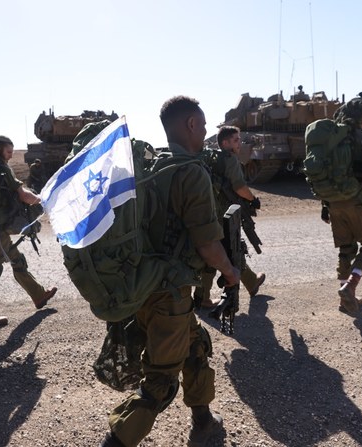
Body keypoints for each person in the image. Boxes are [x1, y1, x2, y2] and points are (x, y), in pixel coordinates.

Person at [100, 96, 240, 447]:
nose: (206, 132)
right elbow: (208, 245)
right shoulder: (191, 173)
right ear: (191, 124)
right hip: (170, 293)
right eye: (204, 125)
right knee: (160, 383)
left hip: (143, 283)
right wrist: (230, 271)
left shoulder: (151, 167)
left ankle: (203, 418)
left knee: (195, 347)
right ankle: (115, 442)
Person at [0, 136, 57, 329]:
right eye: (8, 152)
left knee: (16, 260)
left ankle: (38, 295)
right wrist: (42, 200)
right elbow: (24, 195)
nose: (11, 156)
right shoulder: (0, 168)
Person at [322, 94, 362, 315]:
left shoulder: (330, 140)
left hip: (333, 202)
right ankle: (351, 285)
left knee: (346, 248)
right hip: (357, 200)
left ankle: (346, 299)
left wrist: (324, 203)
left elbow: (323, 172)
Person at [194, 125, 266, 308]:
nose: (239, 143)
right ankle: (204, 298)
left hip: (209, 211)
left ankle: (251, 282)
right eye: (235, 140)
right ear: (224, 143)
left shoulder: (211, 159)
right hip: (225, 214)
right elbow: (240, 187)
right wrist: (253, 199)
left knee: (222, 251)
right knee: (231, 251)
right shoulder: (230, 160)